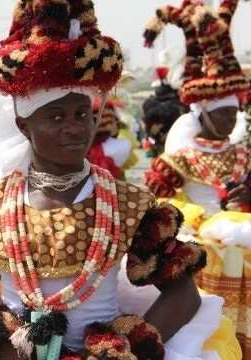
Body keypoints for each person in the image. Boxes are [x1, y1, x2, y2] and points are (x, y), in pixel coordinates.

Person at [0, 0, 239, 359]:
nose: (73, 128)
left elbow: (183, 295)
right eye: (55, 117)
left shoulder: (128, 204)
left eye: (81, 114)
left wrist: (129, 348)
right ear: (24, 126)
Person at [143, 0, 251, 356]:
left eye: (233, 114)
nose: (229, 122)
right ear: (201, 114)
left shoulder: (243, 154)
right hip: (204, 250)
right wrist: (200, 223)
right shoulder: (179, 159)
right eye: (221, 114)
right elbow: (153, 205)